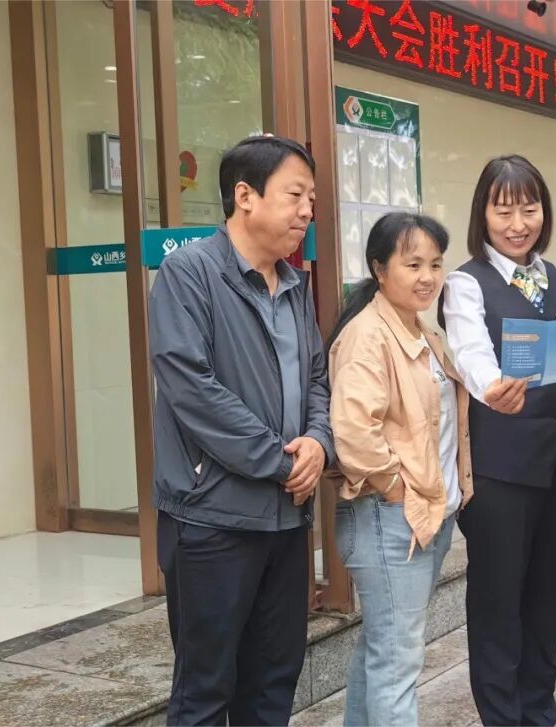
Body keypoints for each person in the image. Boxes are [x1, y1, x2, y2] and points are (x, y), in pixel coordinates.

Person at [148, 135, 335, 726]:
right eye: (296, 196)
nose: (307, 211)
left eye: (311, 199)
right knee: (205, 692)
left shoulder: (295, 286)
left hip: (287, 520)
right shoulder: (189, 273)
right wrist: (281, 462)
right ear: (245, 196)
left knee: (272, 686)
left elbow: (317, 379)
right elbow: (192, 389)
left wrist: (318, 442)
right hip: (212, 521)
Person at [440, 155, 556, 726]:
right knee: (498, 604)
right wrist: (492, 388)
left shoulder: (554, 277)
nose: (518, 223)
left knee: (547, 599)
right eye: (503, 211)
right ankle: (502, 717)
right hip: (500, 469)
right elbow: (471, 353)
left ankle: (539, 713)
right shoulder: (465, 283)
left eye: (530, 209)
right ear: (482, 214)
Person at [327, 211, 473, 726]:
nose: (427, 276)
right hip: (391, 519)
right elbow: (353, 433)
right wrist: (398, 491)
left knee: (383, 650)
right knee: (398, 664)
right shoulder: (368, 336)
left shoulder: (423, 330)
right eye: (413, 264)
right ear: (379, 268)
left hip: (425, 515)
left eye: (435, 263)